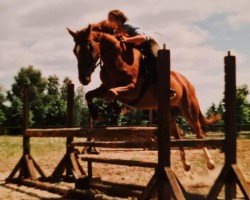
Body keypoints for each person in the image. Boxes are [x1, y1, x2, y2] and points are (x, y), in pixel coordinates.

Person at [108, 9, 159, 84]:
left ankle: (166, 85)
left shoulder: (128, 26)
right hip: (136, 49)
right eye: (109, 19)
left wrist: (126, 39)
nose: (109, 22)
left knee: (156, 58)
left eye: (111, 19)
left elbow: (143, 38)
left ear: (118, 19)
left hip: (148, 45)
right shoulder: (113, 32)